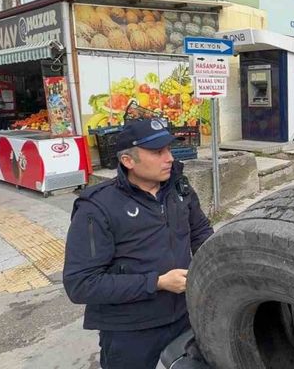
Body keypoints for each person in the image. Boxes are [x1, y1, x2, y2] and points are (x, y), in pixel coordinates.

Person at [63, 118, 214, 369]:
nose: (169, 158)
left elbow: (201, 234)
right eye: (157, 152)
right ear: (128, 161)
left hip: (185, 316)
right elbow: (81, 284)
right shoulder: (97, 207)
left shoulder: (180, 189)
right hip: (130, 331)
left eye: (169, 149)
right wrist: (157, 282)